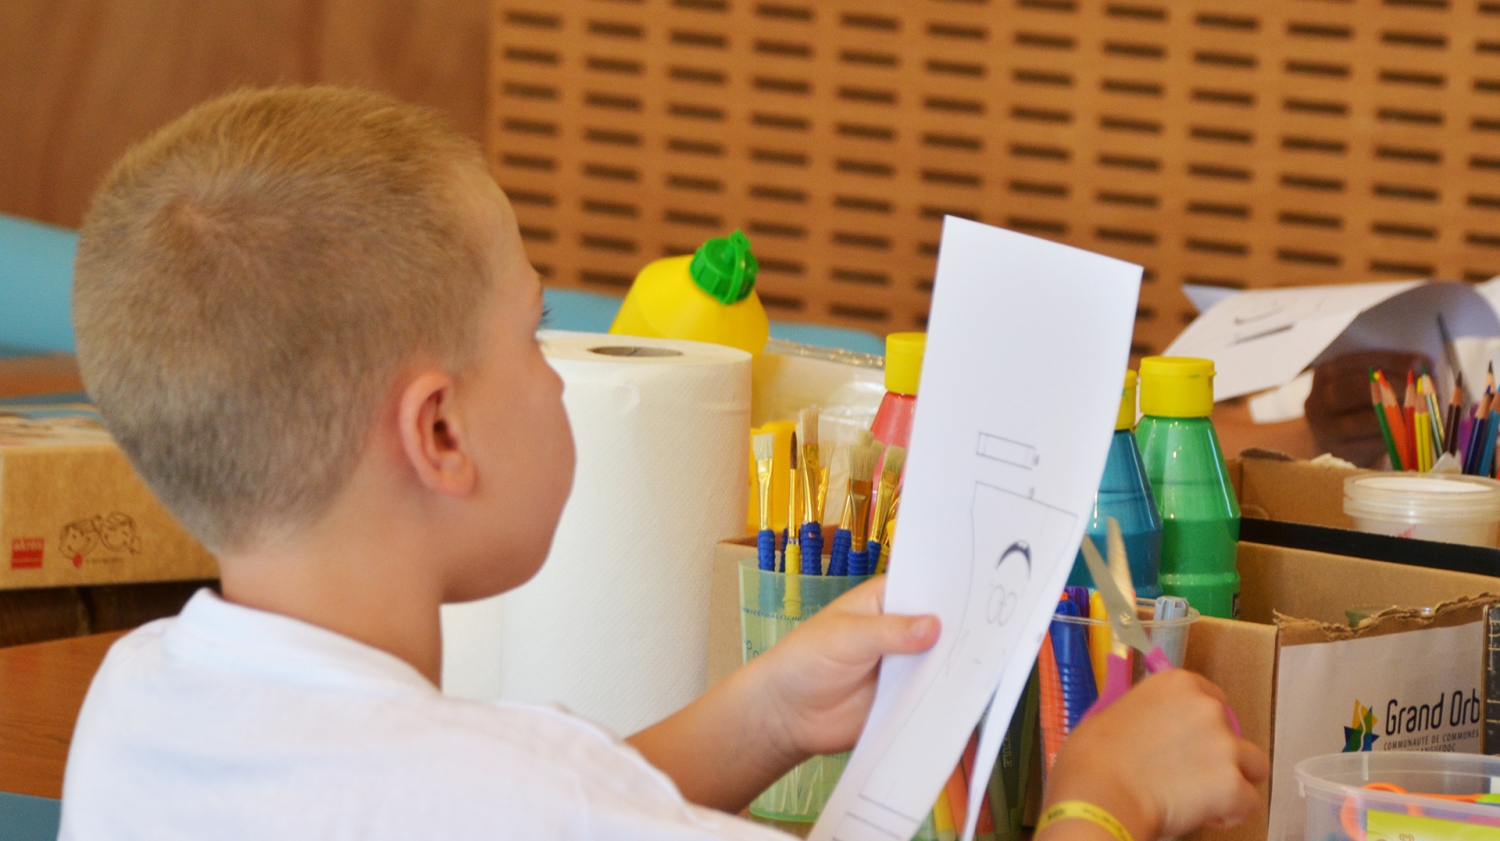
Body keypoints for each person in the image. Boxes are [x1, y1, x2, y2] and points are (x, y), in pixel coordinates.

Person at [59, 85, 1267, 840]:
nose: (553, 375)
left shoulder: (137, 698)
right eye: (532, 336)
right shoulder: (514, 804)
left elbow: (529, 802)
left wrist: (766, 713)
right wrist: (1105, 796)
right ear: (440, 434)